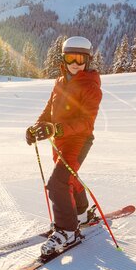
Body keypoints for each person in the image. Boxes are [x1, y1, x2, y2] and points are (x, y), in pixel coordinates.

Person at [25, 36, 103, 258]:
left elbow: (86, 123)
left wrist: (55, 129)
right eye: (71, 58)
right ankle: (80, 214)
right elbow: (49, 109)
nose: (75, 64)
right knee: (68, 177)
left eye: (80, 59)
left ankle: (68, 231)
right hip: (59, 140)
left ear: (87, 60)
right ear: (64, 59)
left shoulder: (91, 86)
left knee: (58, 183)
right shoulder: (60, 82)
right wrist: (38, 127)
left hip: (78, 141)